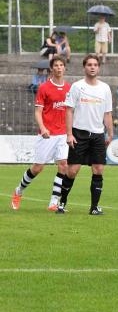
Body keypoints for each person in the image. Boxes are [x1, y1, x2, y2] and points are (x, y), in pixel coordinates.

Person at [11, 56, 71, 211]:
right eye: (56, 65)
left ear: (64, 68)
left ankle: (53, 201)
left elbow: (70, 111)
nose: (59, 68)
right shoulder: (44, 87)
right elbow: (38, 111)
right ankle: (19, 191)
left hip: (63, 133)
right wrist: (43, 127)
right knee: (38, 168)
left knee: (63, 165)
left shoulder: (69, 88)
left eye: (61, 65)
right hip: (47, 134)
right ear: (52, 69)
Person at [58, 54, 113, 215]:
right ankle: (62, 203)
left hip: (97, 134)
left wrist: (110, 134)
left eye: (95, 64)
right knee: (73, 170)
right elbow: (69, 110)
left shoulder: (105, 88)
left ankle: (94, 207)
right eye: (89, 64)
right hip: (79, 133)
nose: (92, 67)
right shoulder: (77, 86)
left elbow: (107, 113)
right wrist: (69, 134)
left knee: (98, 169)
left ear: (99, 67)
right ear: (84, 67)